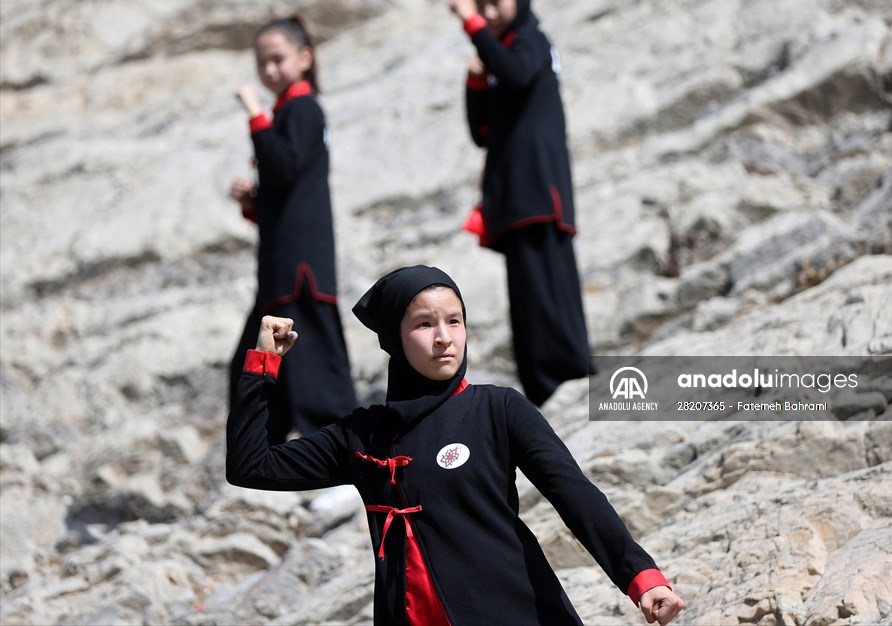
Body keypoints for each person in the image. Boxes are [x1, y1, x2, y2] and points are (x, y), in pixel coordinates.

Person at [226, 265, 686, 626]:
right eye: (424, 324)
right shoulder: (361, 435)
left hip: (516, 613)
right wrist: (263, 365)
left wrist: (640, 578)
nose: (444, 337)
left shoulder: (499, 410)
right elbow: (250, 465)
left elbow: (575, 495)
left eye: (455, 321)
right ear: (393, 338)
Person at [448, 0, 593, 407]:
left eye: (496, 1)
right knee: (526, 297)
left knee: (550, 286)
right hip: (512, 194)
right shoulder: (499, 53)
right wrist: (475, 79)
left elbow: (517, 73)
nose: (488, 12)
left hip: (539, 190)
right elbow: (482, 131)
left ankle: (571, 373)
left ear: (520, 0)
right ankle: (541, 384)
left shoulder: (530, 39)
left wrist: (472, 25)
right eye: (482, 3)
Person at [228, 15, 357, 442]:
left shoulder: (302, 108)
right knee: (257, 366)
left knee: (314, 369)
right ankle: (264, 456)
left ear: (304, 58)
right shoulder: (290, 111)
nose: (269, 71)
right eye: (261, 62)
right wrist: (253, 199)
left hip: (300, 270)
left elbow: (283, 168)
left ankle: (346, 463)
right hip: (282, 270)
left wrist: (255, 116)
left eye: (278, 59)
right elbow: (284, 187)